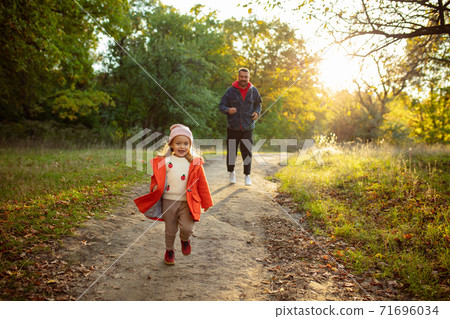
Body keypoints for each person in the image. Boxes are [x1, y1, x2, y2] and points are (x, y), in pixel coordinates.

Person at [134, 124, 213, 265]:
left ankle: (185, 240)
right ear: (171, 144)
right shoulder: (164, 161)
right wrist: (154, 187)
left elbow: (202, 184)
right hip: (168, 201)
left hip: (187, 202)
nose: (182, 146)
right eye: (178, 143)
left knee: (187, 228)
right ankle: (169, 251)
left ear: (190, 145)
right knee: (170, 229)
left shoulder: (195, 163)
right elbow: (155, 178)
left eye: (185, 143)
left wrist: (206, 202)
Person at [219, 68, 262, 186]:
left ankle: (247, 175)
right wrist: (228, 109)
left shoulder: (253, 91)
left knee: (247, 152)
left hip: (247, 127)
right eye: (241, 77)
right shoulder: (230, 91)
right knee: (232, 151)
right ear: (238, 77)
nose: (243, 79)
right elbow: (221, 105)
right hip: (233, 127)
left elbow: (258, 104)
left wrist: (257, 113)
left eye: (245, 77)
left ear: (249, 78)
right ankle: (231, 172)